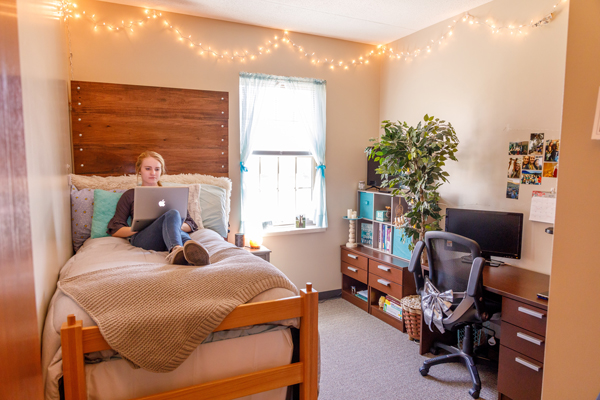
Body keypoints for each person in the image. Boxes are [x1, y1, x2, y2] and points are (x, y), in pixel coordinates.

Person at [107, 151, 209, 266]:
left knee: (173, 216)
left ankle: (188, 253)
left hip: (170, 237)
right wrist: (138, 227)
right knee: (173, 214)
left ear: (161, 171)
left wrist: (171, 225)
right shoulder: (130, 195)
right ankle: (179, 249)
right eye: (148, 168)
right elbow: (115, 229)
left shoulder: (172, 194)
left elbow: (190, 225)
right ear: (139, 170)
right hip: (144, 238)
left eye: (157, 169)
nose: (153, 173)